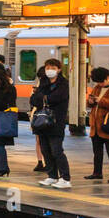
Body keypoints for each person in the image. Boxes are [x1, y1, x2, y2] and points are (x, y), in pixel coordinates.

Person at [30, 58, 71, 188]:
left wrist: (42, 98)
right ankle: (52, 176)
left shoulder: (63, 84)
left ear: (59, 69)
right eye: (47, 68)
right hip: (42, 122)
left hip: (55, 121)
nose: (50, 71)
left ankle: (65, 178)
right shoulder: (43, 82)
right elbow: (34, 99)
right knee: (45, 150)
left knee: (57, 150)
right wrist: (43, 98)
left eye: (53, 68)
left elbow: (57, 98)